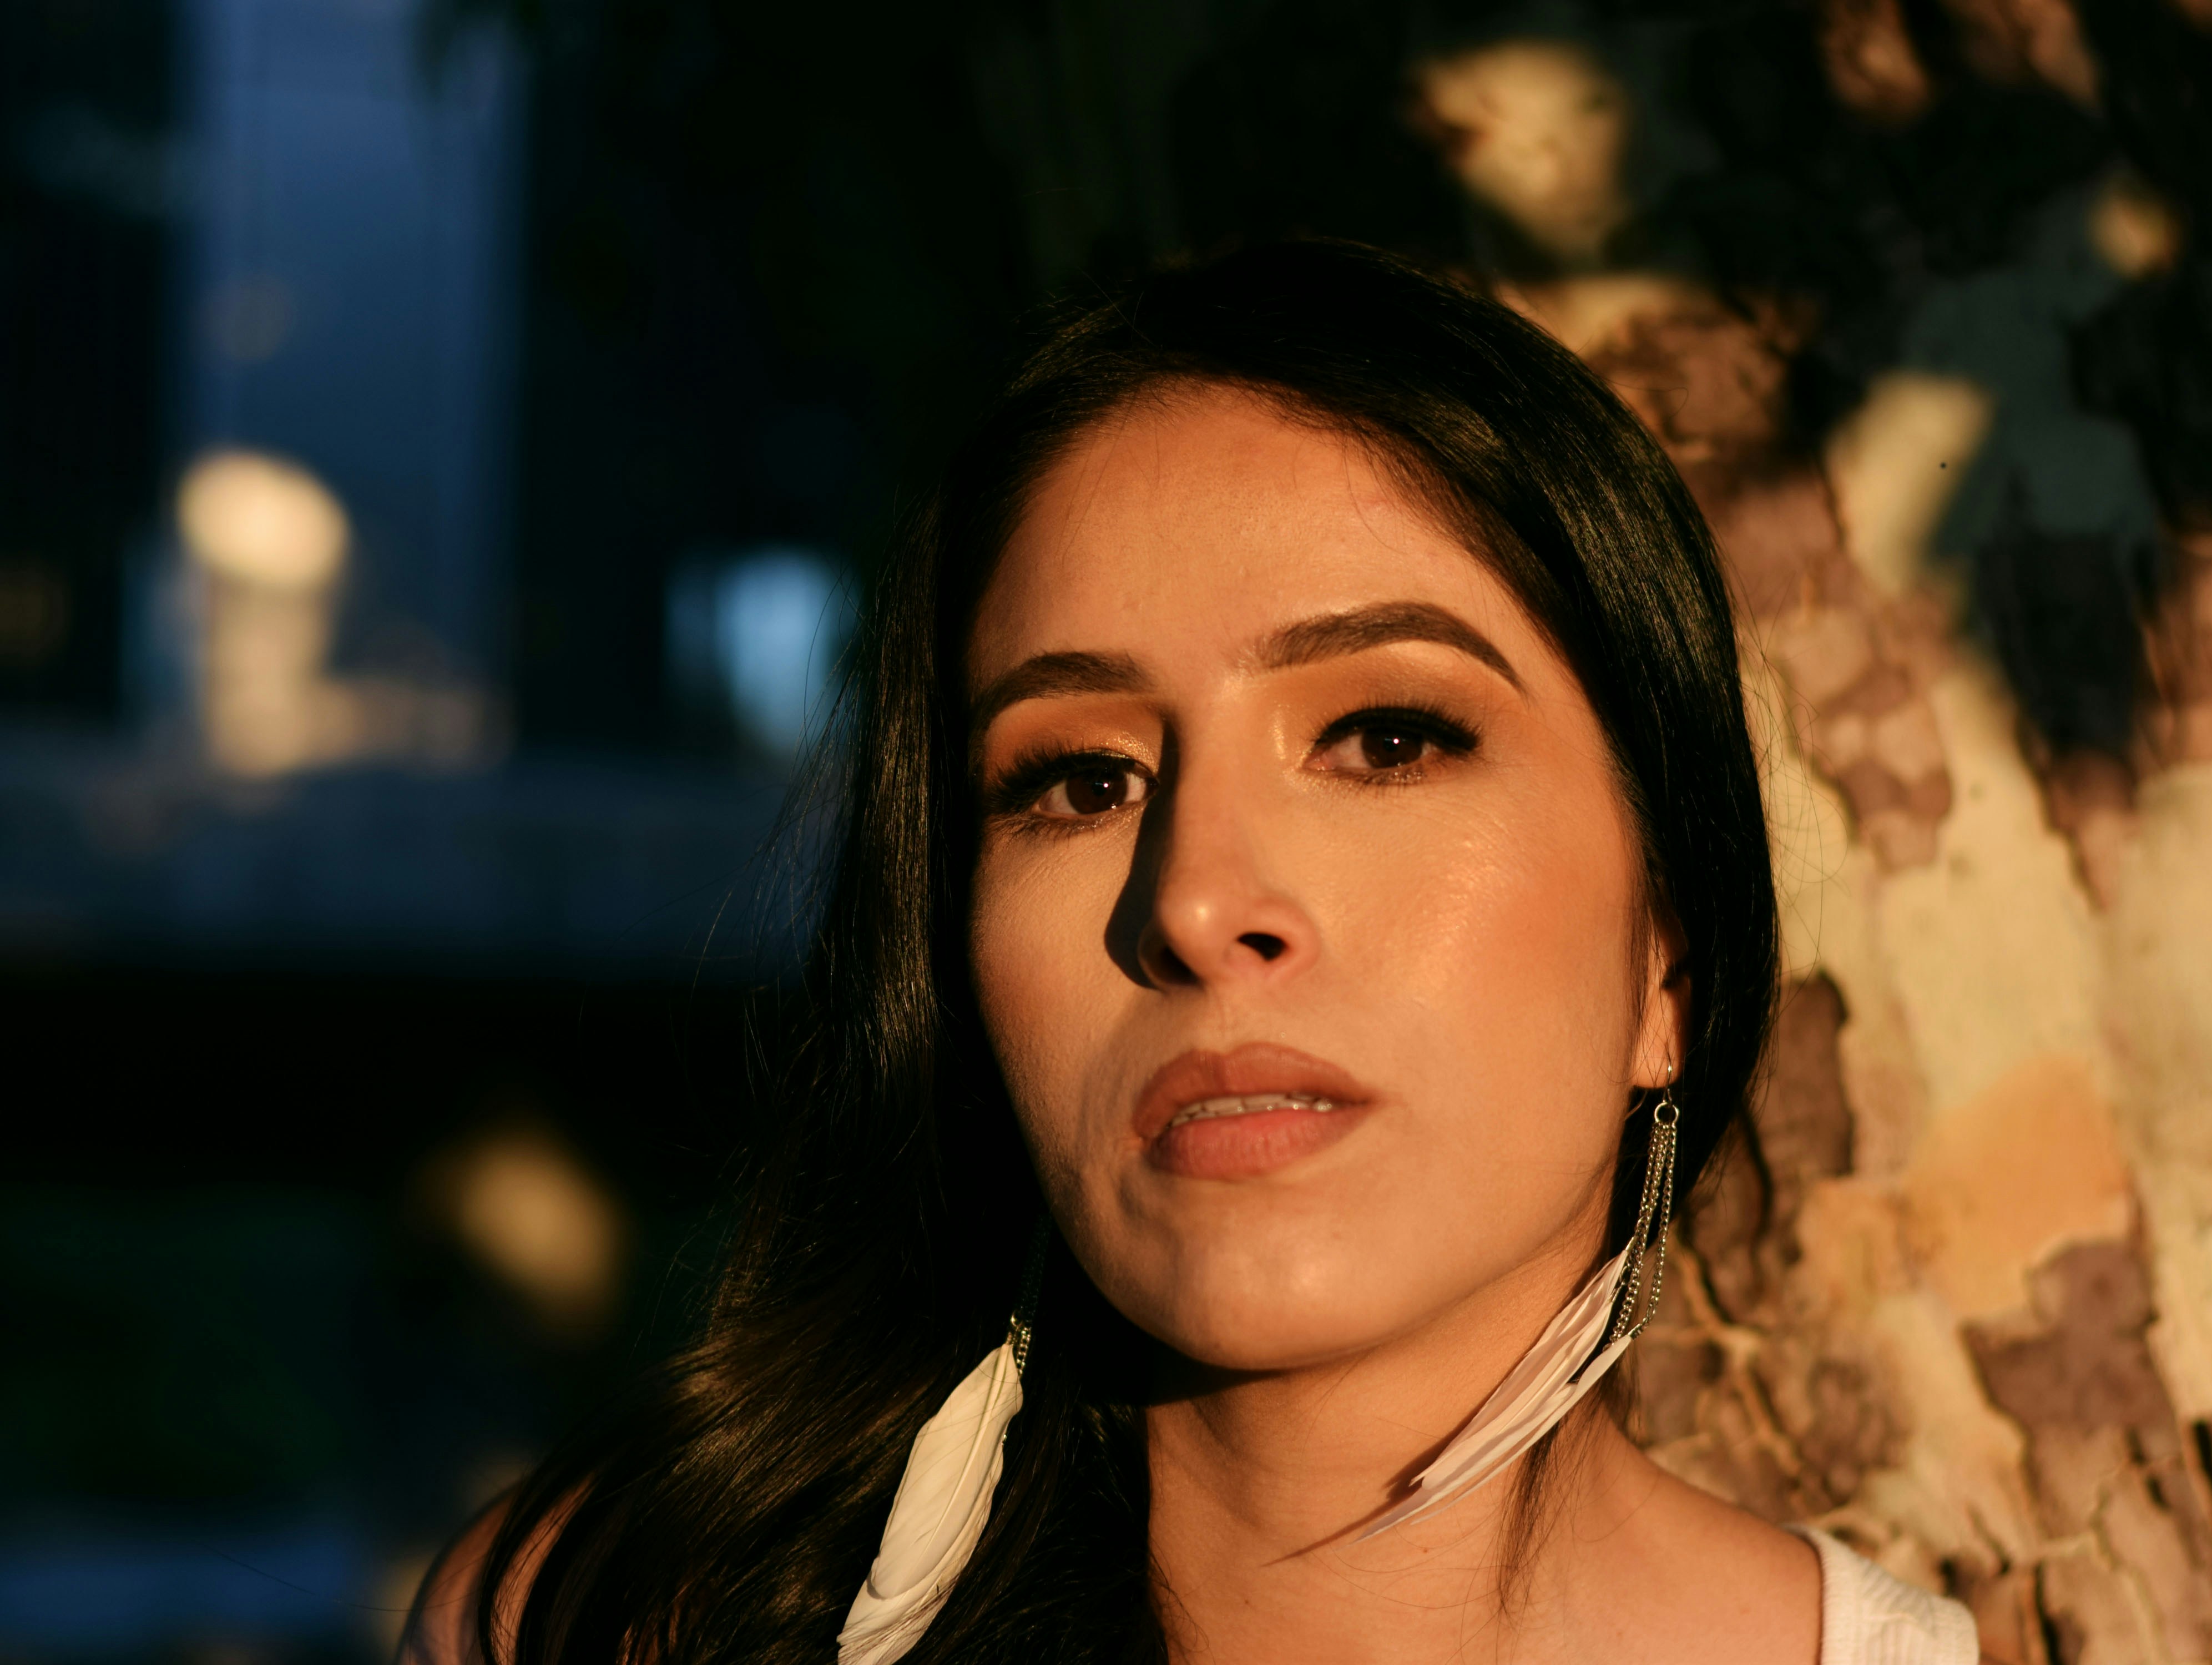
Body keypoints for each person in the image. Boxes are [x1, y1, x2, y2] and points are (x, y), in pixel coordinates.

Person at [403, 240, 1982, 1665]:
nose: (1196, 899)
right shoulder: (617, 1625)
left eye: (1385, 737)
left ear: (1672, 965)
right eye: (1079, 782)